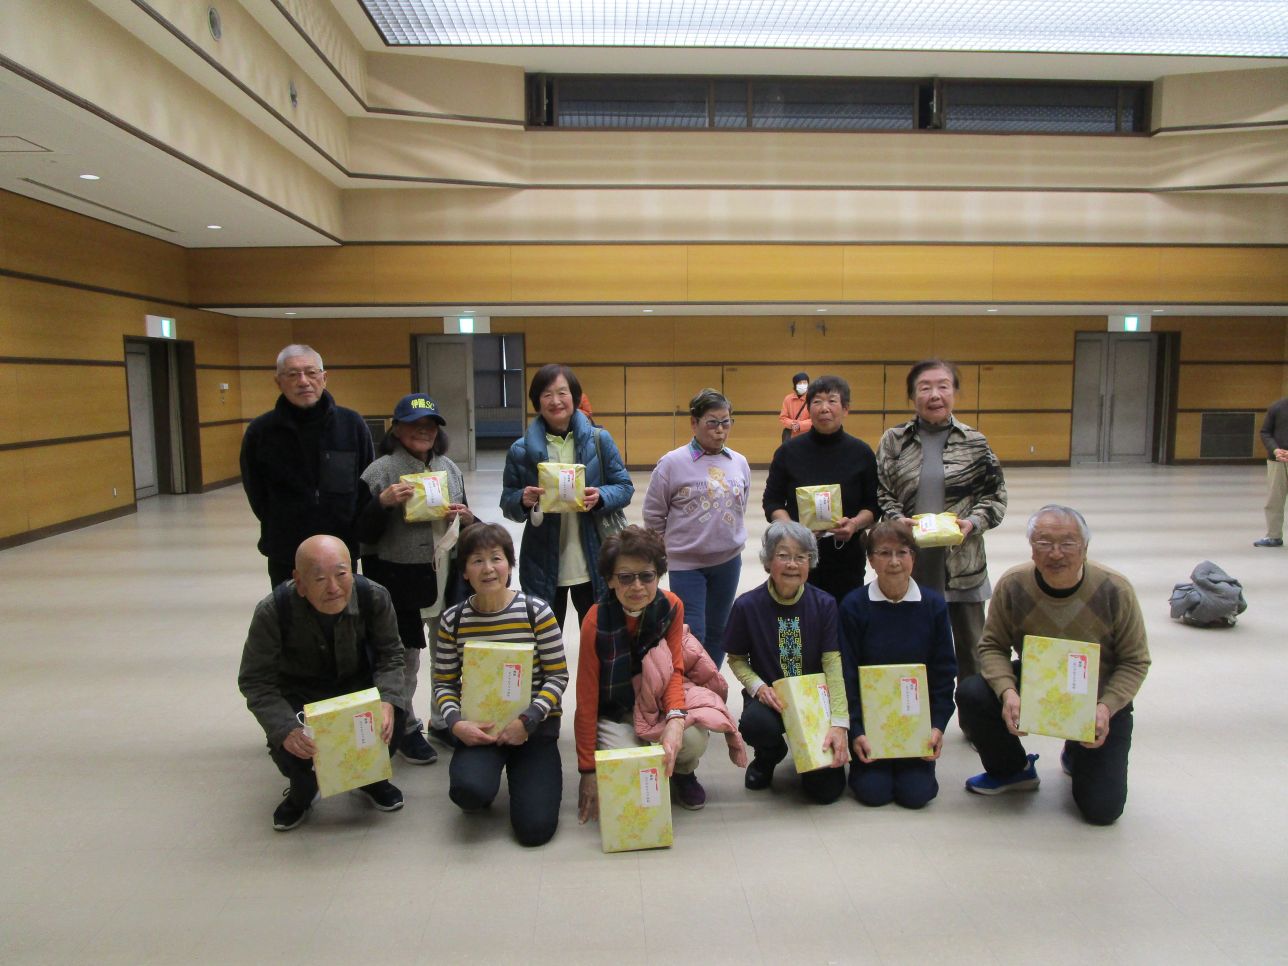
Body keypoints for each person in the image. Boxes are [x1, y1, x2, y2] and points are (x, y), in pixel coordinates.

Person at [956, 505, 1151, 826]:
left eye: (1068, 543)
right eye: (1044, 543)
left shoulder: (1115, 589)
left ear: (1085, 547)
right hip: (1037, 682)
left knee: (1102, 811)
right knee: (973, 692)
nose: (1056, 553)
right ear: (1032, 547)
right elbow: (992, 646)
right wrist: (1008, 693)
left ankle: (1077, 750)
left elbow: (1135, 660)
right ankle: (1012, 770)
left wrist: (1106, 708)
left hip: (1097, 697)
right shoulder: (1014, 584)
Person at [237, 535, 406, 831]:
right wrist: (285, 728)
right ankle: (300, 793)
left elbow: (391, 655)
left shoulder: (374, 597)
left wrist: (387, 701)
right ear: (299, 582)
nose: (333, 588)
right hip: (301, 697)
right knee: (299, 759)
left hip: (356, 689)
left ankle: (370, 779)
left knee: (391, 726)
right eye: (319, 579)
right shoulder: (274, 611)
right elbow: (256, 680)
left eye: (341, 574)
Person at [357, 393, 473, 765]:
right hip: (399, 579)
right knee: (404, 658)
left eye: (429, 425)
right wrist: (382, 503)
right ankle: (405, 726)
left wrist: (467, 518)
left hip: (445, 578)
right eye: (413, 425)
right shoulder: (379, 472)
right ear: (396, 429)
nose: (423, 431)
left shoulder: (449, 469)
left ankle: (442, 720)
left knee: (447, 655)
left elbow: (468, 527)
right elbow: (360, 534)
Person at [433, 523, 567, 846]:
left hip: (533, 729)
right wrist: (457, 724)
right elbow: (444, 684)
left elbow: (557, 676)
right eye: (477, 560)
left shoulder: (537, 612)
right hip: (481, 729)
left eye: (496, 558)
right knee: (468, 792)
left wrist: (527, 721)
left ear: (509, 564)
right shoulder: (453, 620)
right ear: (464, 571)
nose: (488, 568)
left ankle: (523, 775)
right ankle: (486, 779)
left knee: (535, 830)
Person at [876, 359, 1008, 678]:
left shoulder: (975, 442)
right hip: (910, 565)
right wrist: (896, 520)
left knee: (972, 655)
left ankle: (973, 709)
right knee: (912, 651)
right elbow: (882, 492)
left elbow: (995, 496)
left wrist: (972, 523)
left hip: (964, 566)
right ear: (912, 396)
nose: (935, 395)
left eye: (943, 386)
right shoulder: (894, 440)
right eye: (925, 388)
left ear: (955, 393)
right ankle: (920, 709)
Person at [576, 526, 713, 820]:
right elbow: (586, 699)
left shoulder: (671, 606)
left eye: (647, 576)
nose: (637, 586)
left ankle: (682, 772)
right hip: (615, 709)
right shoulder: (595, 622)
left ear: (658, 575)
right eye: (626, 577)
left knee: (691, 739)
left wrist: (675, 718)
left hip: (657, 700)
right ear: (610, 580)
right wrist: (587, 770)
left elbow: (674, 670)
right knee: (631, 763)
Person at [723, 521, 850, 804]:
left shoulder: (825, 604)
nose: (792, 564)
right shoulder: (747, 605)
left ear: (810, 562)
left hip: (815, 703)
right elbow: (737, 659)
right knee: (755, 724)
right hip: (771, 700)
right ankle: (769, 756)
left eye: (801, 556)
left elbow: (832, 664)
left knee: (825, 793)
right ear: (768, 560)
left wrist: (839, 722)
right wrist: (758, 687)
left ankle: (810, 753)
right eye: (783, 555)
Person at [501, 364, 634, 629]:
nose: (556, 401)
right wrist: (522, 500)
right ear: (537, 401)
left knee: (599, 638)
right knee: (544, 640)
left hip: (593, 560)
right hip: (542, 561)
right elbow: (507, 503)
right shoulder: (520, 450)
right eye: (547, 394)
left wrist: (601, 496)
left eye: (562, 392)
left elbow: (624, 487)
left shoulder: (599, 440)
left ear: (575, 397)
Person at [839, 522, 956, 809]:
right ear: (871, 560)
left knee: (916, 795)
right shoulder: (854, 606)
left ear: (913, 558)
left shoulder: (933, 605)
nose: (894, 562)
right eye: (884, 553)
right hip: (871, 725)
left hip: (916, 724)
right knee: (873, 793)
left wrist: (937, 727)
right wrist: (857, 731)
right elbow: (846, 674)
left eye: (902, 552)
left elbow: (943, 672)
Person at [240, 344, 375, 589]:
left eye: (311, 373)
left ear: (324, 378)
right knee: (288, 609)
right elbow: (257, 493)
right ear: (278, 382)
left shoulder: (351, 424)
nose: (303, 381)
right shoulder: (261, 432)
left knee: (341, 606)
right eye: (293, 374)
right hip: (286, 548)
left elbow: (366, 483)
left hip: (341, 544)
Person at [642, 388, 751, 667]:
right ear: (694, 423)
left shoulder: (738, 462)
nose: (720, 430)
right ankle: (688, 687)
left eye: (726, 422)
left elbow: (740, 504)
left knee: (719, 630)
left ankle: (709, 684)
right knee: (692, 633)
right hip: (686, 564)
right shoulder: (672, 463)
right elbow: (653, 514)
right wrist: (664, 550)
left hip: (728, 561)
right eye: (712, 422)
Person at [762, 374, 880, 603]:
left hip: (846, 556)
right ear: (808, 409)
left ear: (845, 409)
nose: (824, 408)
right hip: (797, 556)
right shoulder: (788, 452)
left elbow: (873, 506)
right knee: (797, 617)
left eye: (832, 401)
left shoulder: (861, 453)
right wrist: (795, 530)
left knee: (843, 617)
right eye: (817, 401)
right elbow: (772, 502)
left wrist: (854, 524)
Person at [1254, 395, 1288, 547]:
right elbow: (1265, 432)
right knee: (1274, 500)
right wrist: (1275, 450)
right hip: (1277, 462)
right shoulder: (1277, 406)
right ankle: (1274, 536)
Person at [778, 371, 812, 441]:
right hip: (791, 437)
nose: (802, 385)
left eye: (805, 383)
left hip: (808, 436)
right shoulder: (788, 399)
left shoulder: (812, 399)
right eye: (800, 383)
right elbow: (783, 417)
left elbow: (815, 420)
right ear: (795, 385)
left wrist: (800, 425)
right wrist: (792, 424)